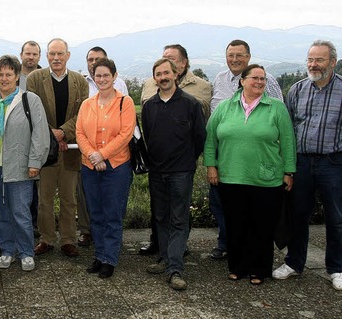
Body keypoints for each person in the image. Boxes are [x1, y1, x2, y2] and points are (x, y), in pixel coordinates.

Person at [205, 64, 296, 285]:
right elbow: (210, 140)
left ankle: (259, 269)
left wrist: (289, 171)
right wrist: (211, 166)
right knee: (236, 224)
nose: (259, 82)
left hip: (266, 178)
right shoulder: (225, 107)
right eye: (255, 78)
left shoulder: (276, 108)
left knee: (262, 225)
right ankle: (237, 267)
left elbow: (288, 141)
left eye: (263, 79)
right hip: (231, 176)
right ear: (242, 81)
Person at [273, 40, 342, 291]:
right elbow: (289, 131)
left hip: (333, 162)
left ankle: (337, 268)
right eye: (310, 59)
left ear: (332, 62)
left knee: (336, 218)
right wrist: (288, 166)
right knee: (298, 215)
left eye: (319, 60)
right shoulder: (298, 90)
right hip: (301, 162)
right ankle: (294, 263)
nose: (313, 65)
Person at [0, 55, 49, 271]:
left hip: (21, 166)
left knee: (21, 212)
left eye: (9, 74)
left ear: (16, 77)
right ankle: (7, 250)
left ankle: (25, 252)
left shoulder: (29, 100)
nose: (5, 78)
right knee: (1, 212)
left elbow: (40, 135)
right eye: (1, 74)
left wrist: (35, 162)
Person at [139, 43, 212, 256]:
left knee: (179, 218)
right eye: (158, 74)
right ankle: (164, 257)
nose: (163, 77)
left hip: (181, 170)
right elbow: (148, 135)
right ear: (154, 78)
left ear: (176, 74)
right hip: (157, 170)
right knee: (160, 217)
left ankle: (175, 265)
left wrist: (188, 159)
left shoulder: (191, 103)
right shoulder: (150, 106)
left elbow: (200, 137)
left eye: (166, 73)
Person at [27, 38, 89, 258]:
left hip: (70, 148)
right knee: (44, 199)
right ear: (46, 56)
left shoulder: (80, 81)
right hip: (45, 150)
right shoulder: (35, 79)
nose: (55, 58)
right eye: (52, 54)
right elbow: (32, 112)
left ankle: (68, 240)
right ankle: (46, 238)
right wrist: (52, 135)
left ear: (68, 55)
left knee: (68, 198)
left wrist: (63, 131)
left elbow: (82, 113)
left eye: (60, 54)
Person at [76, 57, 135, 278]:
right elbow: (80, 133)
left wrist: (102, 154)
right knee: (96, 213)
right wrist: (92, 156)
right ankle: (99, 255)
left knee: (112, 214)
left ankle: (110, 258)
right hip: (90, 167)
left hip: (117, 166)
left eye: (106, 75)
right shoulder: (87, 104)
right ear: (93, 78)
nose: (102, 79)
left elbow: (125, 134)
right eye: (98, 76)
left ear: (114, 76)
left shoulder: (125, 102)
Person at [19, 40, 42, 234]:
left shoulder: (44, 77)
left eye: (34, 54)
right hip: (16, 138)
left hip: (38, 135)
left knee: (37, 186)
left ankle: (35, 226)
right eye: (28, 53)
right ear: (21, 55)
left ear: (39, 57)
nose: (31, 57)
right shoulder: (12, 76)